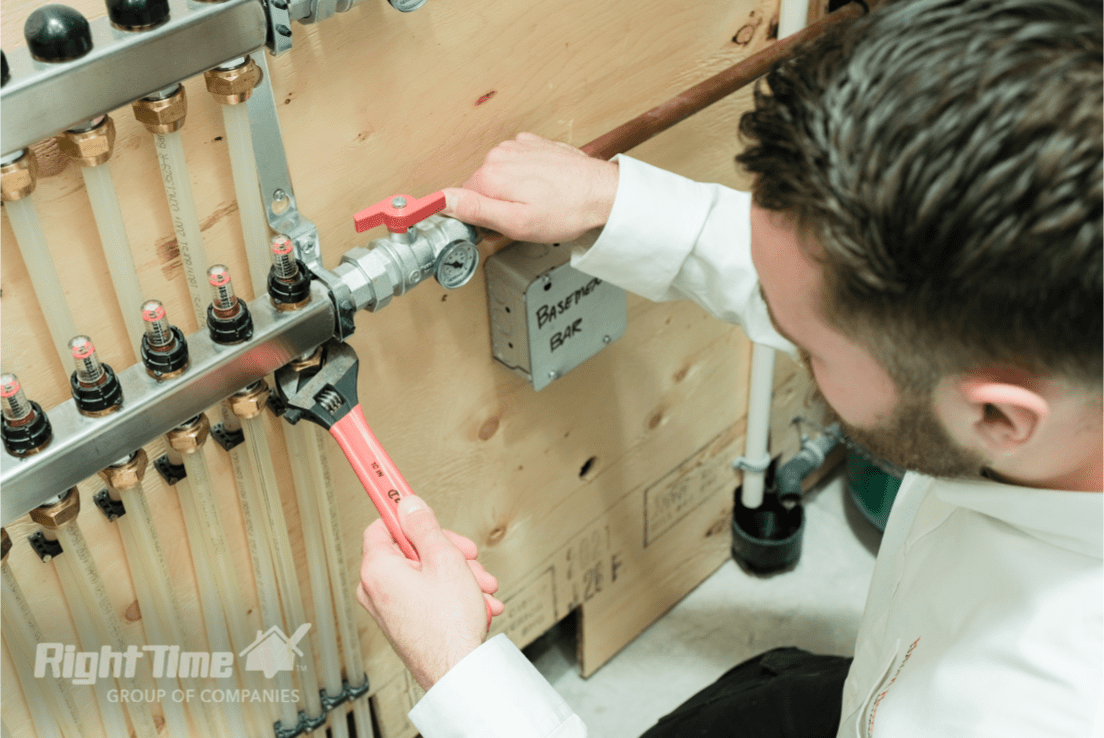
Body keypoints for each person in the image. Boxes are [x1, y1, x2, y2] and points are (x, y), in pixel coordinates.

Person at [356, 0, 1103, 735]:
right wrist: (613, 202)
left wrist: (458, 673)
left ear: (999, 417)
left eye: (809, 348)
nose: (782, 333)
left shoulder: (1029, 703)